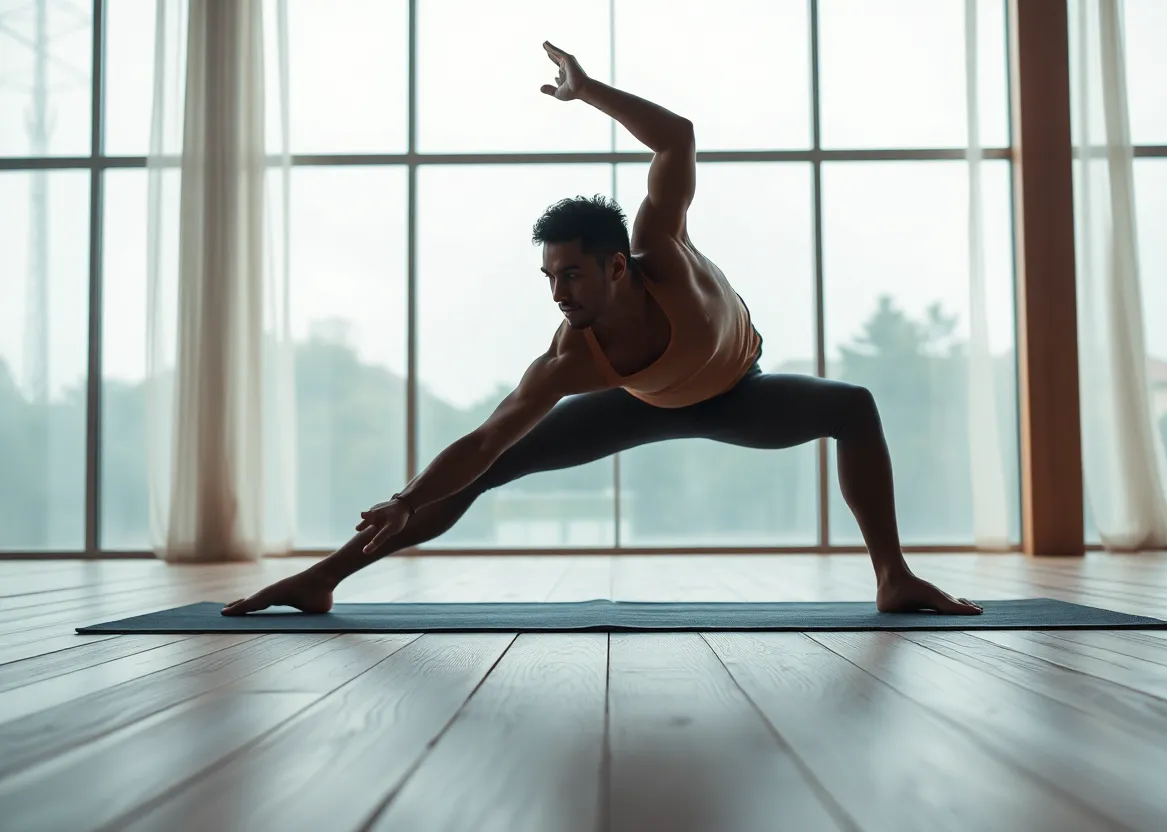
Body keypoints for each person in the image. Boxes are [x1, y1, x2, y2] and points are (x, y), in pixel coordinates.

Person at [222, 41, 982, 617]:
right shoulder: (568, 358)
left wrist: (586, 92)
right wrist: (403, 496)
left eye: (572, 275)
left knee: (853, 406)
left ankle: (894, 578)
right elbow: (483, 440)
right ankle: (325, 578)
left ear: (617, 266)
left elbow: (676, 138)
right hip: (638, 401)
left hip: (733, 391)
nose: (558, 293)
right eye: (549, 278)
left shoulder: (661, 253)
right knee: (490, 469)